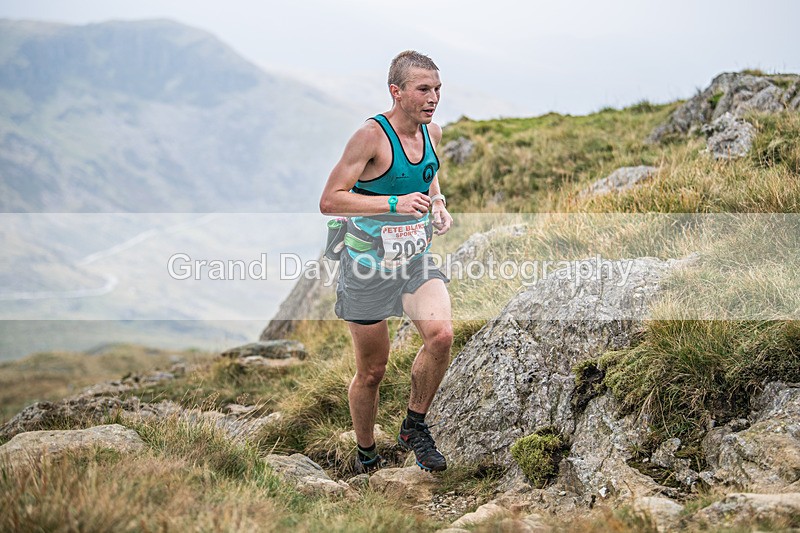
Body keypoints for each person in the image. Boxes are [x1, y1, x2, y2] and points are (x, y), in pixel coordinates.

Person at [319, 50, 454, 473]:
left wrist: (437, 203)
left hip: (414, 260)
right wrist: (393, 202)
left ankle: (414, 426)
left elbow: (427, 174)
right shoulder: (370, 137)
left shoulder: (428, 130)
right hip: (367, 269)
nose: (433, 98)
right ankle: (366, 455)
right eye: (423, 90)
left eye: (437, 90)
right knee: (373, 372)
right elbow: (330, 200)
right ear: (396, 92)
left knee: (441, 336)